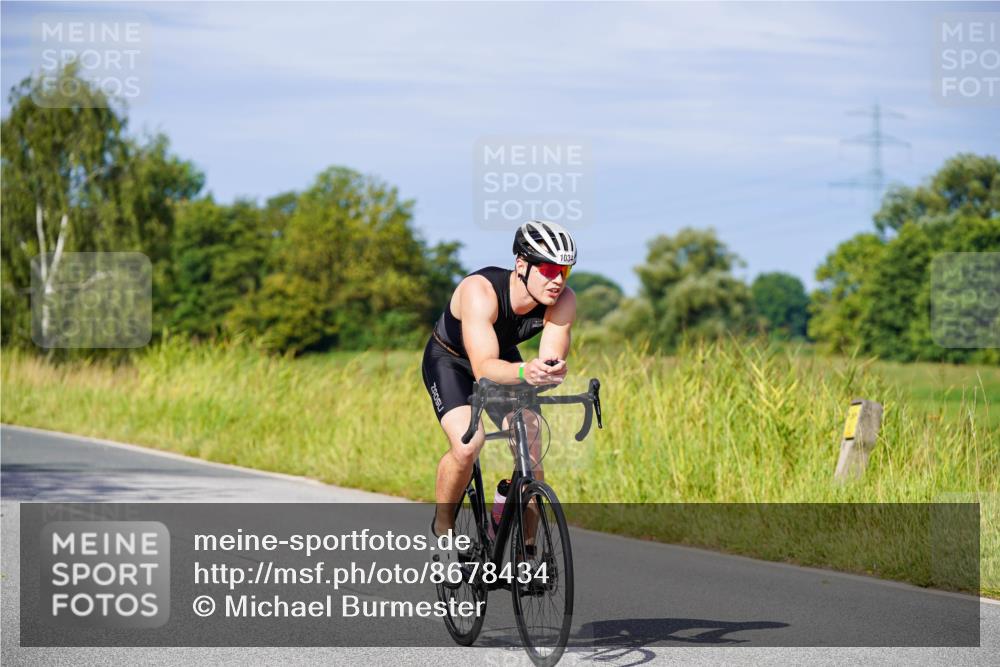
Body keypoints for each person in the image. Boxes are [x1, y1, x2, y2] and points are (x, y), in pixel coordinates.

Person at [421, 220, 578, 539]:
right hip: (451, 361)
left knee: (531, 455)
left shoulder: (563, 300)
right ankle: (443, 528)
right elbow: (484, 369)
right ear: (522, 264)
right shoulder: (480, 291)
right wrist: (526, 372)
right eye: (548, 269)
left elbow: (550, 354)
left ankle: (526, 552)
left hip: (501, 358)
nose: (557, 280)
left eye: (565, 271)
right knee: (468, 445)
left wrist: (549, 370)